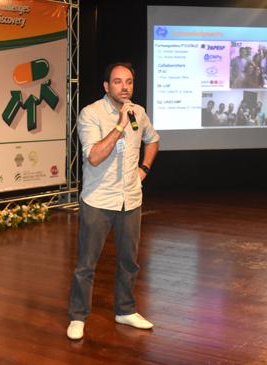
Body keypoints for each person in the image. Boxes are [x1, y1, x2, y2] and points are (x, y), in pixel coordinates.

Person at [66, 62, 160, 340]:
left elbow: (153, 140)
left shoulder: (139, 113)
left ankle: (125, 310)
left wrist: (144, 169)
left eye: (129, 81)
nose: (125, 87)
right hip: (98, 200)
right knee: (86, 264)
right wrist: (120, 124)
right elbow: (94, 156)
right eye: (118, 82)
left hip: (130, 199)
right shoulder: (91, 114)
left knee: (129, 262)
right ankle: (78, 316)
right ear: (106, 86)